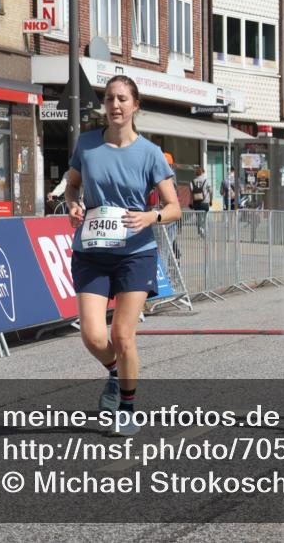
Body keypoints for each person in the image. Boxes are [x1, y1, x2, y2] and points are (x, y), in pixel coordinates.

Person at [64, 75, 180, 436]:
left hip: (135, 251)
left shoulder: (150, 153)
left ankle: (127, 407)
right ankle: (115, 373)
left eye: (123, 99)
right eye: (110, 99)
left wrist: (151, 216)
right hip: (93, 251)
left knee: (123, 333)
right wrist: (71, 203)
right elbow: (72, 184)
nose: (115, 105)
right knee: (93, 336)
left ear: (135, 105)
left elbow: (175, 206)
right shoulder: (86, 144)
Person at [190, 166, 211, 237]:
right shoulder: (206, 180)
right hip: (205, 202)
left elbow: (191, 193)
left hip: (196, 203)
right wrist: (211, 200)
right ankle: (205, 232)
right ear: (202, 172)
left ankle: (200, 230)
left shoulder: (192, 181)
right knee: (205, 217)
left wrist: (191, 202)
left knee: (198, 217)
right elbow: (210, 191)